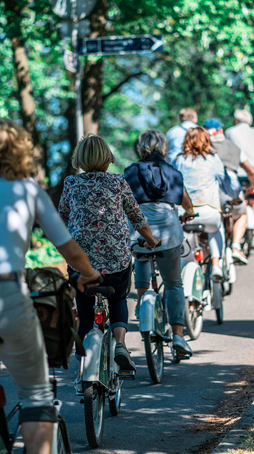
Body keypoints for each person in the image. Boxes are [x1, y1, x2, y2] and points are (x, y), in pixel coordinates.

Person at [0, 117, 101, 454]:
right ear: (18, 150)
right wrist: (88, 274)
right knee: (37, 395)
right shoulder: (27, 189)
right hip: (2, 295)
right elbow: (67, 247)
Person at [59, 135, 160, 379]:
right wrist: (151, 240)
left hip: (81, 263)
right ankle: (121, 345)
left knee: (84, 311)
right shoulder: (117, 182)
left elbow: (61, 217)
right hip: (116, 262)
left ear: (80, 159)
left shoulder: (71, 183)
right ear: (107, 158)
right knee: (117, 299)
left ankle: (83, 361)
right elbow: (137, 218)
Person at [124, 129, 197, 356]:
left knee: (142, 257)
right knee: (174, 283)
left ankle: (141, 303)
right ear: (164, 147)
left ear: (140, 147)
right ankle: (178, 336)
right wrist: (189, 212)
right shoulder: (172, 171)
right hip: (168, 233)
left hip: (139, 232)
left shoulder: (130, 171)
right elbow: (186, 201)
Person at [203, 118, 254, 264]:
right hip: (230, 189)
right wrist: (253, 185)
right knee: (242, 213)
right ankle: (235, 246)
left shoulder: (202, 146)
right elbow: (251, 171)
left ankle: (208, 255)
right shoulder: (233, 146)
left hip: (208, 190)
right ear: (220, 130)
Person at [174, 127, 226, 282]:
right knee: (217, 227)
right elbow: (226, 182)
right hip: (208, 211)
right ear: (206, 140)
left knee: (186, 254)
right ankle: (216, 264)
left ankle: (185, 277)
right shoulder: (213, 158)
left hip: (184, 214)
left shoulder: (179, 159)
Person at [225, 108, 254, 248]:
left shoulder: (230, 132)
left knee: (235, 202)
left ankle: (232, 234)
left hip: (237, 173)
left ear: (236, 120)